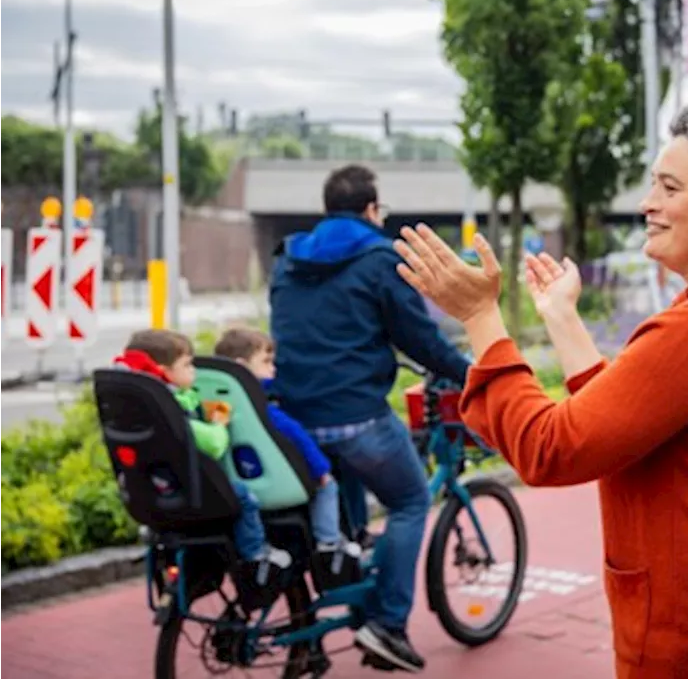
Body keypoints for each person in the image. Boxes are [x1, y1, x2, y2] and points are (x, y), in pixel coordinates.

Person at [394, 104, 688, 679]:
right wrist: (563, 318)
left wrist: (481, 317)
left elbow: (551, 447)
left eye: (668, 186)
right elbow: (628, 417)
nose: (646, 204)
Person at [268, 164, 472, 673]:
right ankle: (387, 626)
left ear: (326, 209)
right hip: (355, 419)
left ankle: (322, 623)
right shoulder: (380, 258)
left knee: (345, 512)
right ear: (371, 210)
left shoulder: (287, 259)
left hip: (294, 422)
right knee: (409, 500)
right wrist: (470, 374)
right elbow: (419, 338)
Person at [113, 329, 293, 580]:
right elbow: (213, 444)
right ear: (165, 371)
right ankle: (255, 553)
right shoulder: (170, 409)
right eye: (187, 365)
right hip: (192, 491)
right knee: (244, 497)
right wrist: (219, 423)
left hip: (152, 493)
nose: (194, 371)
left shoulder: (137, 405)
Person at [212, 327, 363, 575]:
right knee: (328, 486)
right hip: (278, 486)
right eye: (266, 362)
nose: (273, 368)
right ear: (241, 366)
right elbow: (299, 438)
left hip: (237, 482)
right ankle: (329, 541)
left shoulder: (220, 404)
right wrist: (321, 470)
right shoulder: (265, 407)